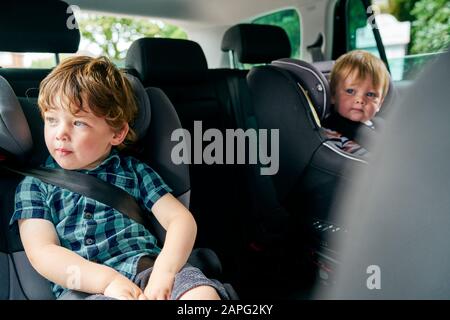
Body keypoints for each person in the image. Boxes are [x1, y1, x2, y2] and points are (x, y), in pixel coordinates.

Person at [9, 56, 228, 300]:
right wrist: (106, 281)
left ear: (117, 132)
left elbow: (180, 220)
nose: (60, 133)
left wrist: (164, 272)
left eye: (79, 122)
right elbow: (42, 251)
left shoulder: (134, 171)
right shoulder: (35, 185)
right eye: (51, 120)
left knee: (202, 294)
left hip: (147, 269)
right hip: (85, 289)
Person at [322, 50, 390, 155]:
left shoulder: (382, 127)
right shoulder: (331, 134)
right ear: (333, 95)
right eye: (350, 91)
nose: (360, 100)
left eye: (370, 94)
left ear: (380, 104)